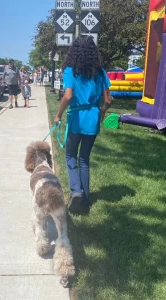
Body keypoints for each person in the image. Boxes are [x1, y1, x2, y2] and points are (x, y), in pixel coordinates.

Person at [54, 36, 112, 214]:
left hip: (77, 119)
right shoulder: (100, 72)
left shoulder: (70, 70)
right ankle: (85, 200)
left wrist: (58, 115)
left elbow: (68, 96)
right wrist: (101, 111)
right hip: (92, 118)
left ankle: (76, 191)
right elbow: (108, 100)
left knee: (70, 156)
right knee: (84, 159)